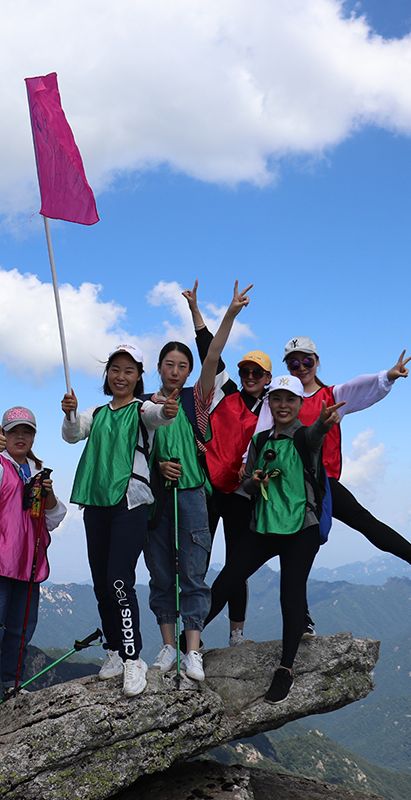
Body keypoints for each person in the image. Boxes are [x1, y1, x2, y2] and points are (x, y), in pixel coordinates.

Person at [260, 337, 411, 588]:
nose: (301, 367)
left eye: (306, 361)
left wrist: (388, 375)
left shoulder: (332, 395)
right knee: (310, 543)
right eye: (293, 363)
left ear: (317, 362)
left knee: (352, 524)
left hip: (322, 481)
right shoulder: (280, 399)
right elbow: (263, 436)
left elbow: (358, 385)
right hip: (289, 486)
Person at [205, 375, 344, 704]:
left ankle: (285, 670)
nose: (283, 406)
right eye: (277, 400)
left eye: (290, 400)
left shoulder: (304, 437)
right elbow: (250, 487)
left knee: (290, 597)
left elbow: (315, 434)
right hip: (265, 527)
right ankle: (186, 643)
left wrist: (324, 423)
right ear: (270, 403)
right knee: (225, 582)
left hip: (301, 530)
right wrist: (254, 481)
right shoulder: (261, 440)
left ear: (299, 405)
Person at [145, 281, 250, 683]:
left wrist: (227, 315)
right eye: (169, 364)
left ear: (189, 372)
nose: (175, 370)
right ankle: (168, 645)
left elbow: (215, 354)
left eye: (182, 366)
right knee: (160, 573)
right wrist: (157, 470)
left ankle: (192, 650)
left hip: (192, 494)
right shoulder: (144, 406)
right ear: (159, 368)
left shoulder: (198, 398)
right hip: (157, 496)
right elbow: (136, 454)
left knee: (192, 571)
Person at [61, 344, 178, 697]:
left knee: (118, 580)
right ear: (107, 375)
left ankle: (132, 658)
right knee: (100, 582)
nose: (121, 376)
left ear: (139, 376)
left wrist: (168, 409)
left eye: (129, 371)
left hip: (129, 503)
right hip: (96, 502)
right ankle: (113, 650)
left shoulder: (142, 410)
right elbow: (71, 434)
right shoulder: (96, 413)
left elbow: (160, 416)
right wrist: (69, 414)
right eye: (115, 369)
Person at [184, 280, 271, 645]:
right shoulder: (227, 393)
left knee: (237, 564)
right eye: (245, 372)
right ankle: (192, 636)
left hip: (241, 494)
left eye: (257, 373)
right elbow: (210, 351)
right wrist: (200, 312)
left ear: (267, 378)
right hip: (209, 488)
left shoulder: (273, 409)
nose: (249, 377)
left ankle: (237, 633)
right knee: (198, 564)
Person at [0, 407, 66, 703]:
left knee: (21, 629)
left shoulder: (38, 471)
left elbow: (52, 518)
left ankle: (13, 682)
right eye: (13, 431)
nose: (20, 437)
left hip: (28, 564)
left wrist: (48, 492)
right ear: (2, 433)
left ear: (34, 436)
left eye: (26, 431)